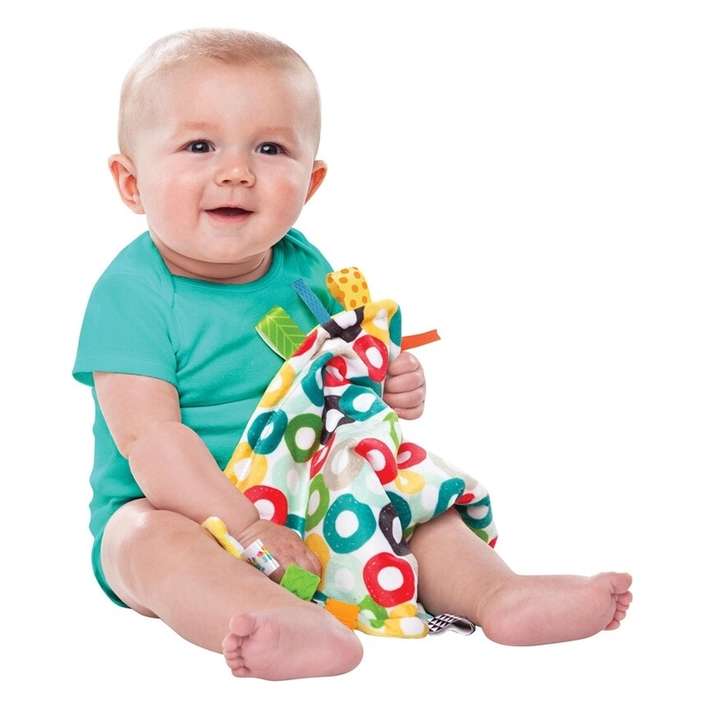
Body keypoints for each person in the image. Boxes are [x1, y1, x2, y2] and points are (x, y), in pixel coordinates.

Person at [72, 27, 633, 681]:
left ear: (310, 182)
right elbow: (151, 440)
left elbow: (328, 370)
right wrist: (246, 528)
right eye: (200, 146)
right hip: (185, 507)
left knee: (413, 508)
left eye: (269, 148)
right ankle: (274, 619)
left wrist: (386, 382)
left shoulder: (302, 268)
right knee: (145, 542)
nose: (236, 171)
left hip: (310, 496)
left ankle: (497, 594)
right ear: (131, 182)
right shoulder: (133, 294)